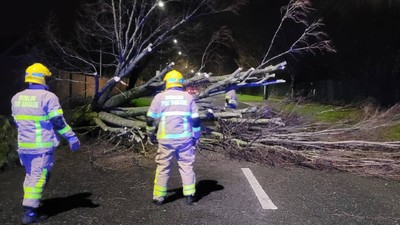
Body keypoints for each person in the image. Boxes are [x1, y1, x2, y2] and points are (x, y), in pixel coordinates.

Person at [11, 63, 80, 224]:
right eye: (46, 78)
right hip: (41, 147)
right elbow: (58, 122)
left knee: (30, 176)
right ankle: (30, 212)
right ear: (42, 78)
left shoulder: (16, 98)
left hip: (24, 147)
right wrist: (71, 138)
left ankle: (30, 204)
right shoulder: (48, 98)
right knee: (39, 176)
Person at [146, 70, 201, 205]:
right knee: (186, 166)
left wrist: (150, 134)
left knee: (163, 167)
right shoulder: (188, 98)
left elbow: (149, 119)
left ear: (167, 82)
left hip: (165, 140)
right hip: (185, 139)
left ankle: (159, 197)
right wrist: (196, 136)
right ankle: (189, 195)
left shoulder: (159, 97)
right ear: (181, 83)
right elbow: (196, 120)